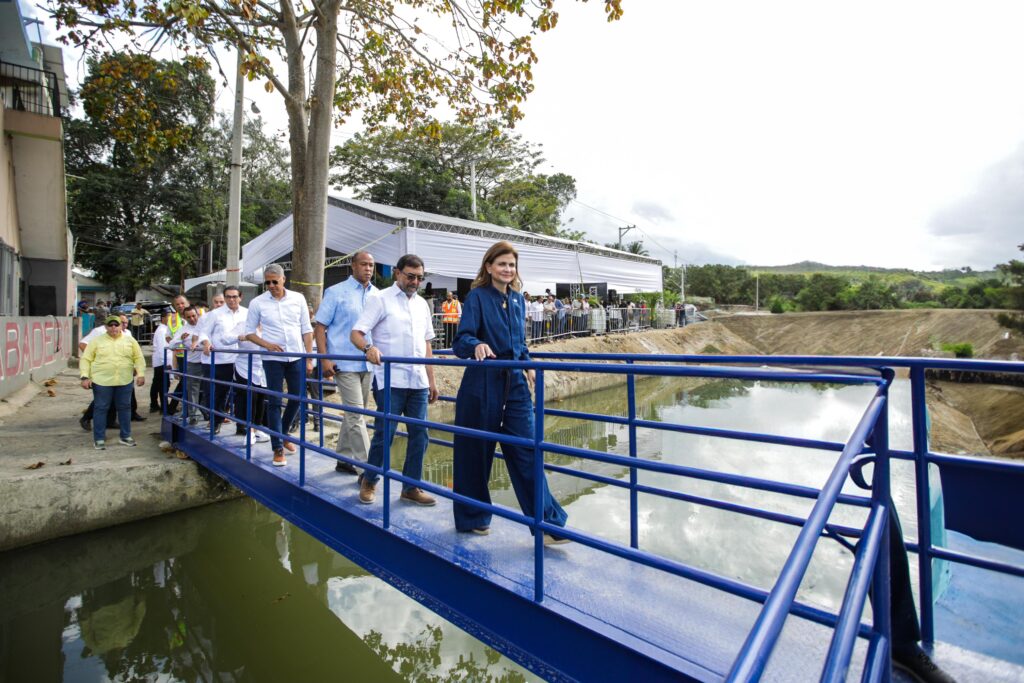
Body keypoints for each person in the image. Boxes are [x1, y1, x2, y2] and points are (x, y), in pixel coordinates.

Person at [451, 241, 569, 543]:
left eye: (512, 265)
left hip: (514, 384)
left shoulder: (517, 301)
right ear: (489, 267)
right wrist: (475, 344)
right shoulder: (477, 298)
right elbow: (461, 339)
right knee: (475, 452)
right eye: (502, 264)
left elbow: (521, 346)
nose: (507, 269)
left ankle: (547, 524)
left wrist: (528, 364)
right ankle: (472, 516)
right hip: (483, 381)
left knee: (528, 450)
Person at [350, 254, 438, 506]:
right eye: (410, 276)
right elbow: (356, 332)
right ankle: (369, 481)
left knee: (420, 434)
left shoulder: (422, 304)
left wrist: (431, 380)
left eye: (419, 278)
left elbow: (426, 345)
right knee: (384, 433)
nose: (415, 281)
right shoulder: (380, 300)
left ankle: (411, 487)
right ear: (397, 273)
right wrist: (368, 348)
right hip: (390, 379)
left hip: (418, 380)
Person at [314, 250, 377, 475]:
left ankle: (343, 457)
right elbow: (320, 327)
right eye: (363, 264)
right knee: (356, 415)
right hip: (343, 363)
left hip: (368, 364)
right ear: (353, 266)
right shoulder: (336, 292)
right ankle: (368, 470)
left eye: (371, 265)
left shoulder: (377, 295)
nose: (368, 269)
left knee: (354, 414)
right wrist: (324, 359)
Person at [245, 264, 314, 467]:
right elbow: (249, 332)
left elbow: (306, 329)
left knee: (298, 397)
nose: (272, 285)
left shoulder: (298, 298)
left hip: (296, 356)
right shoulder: (257, 303)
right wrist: (267, 345)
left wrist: (309, 358)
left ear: (284, 279)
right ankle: (277, 448)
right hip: (272, 359)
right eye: (268, 282)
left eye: (275, 281)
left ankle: (283, 433)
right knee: (274, 401)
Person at [79, 315, 146, 449]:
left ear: (122, 326)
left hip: (124, 380)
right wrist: (85, 377)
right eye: (111, 325)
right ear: (106, 327)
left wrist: (141, 374)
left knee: (125, 408)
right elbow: (86, 359)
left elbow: (138, 357)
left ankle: (125, 436)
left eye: (117, 324)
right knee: (101, 408)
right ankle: (99, 438)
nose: (114, 327)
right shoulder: (97, 341)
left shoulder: (130, 341)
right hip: (101, 381)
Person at [201, 286, 248, 433]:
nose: (231, 300)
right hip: (221, 359)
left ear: (240, 297)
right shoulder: (215, 314)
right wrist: (206, 343)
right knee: (221, 393)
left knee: (243, 393)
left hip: (242, 359)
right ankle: (216, 422)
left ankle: (242, 425)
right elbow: (204, 332)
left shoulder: (247, 313)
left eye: (234, 296)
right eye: (228, 297)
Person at [150, 310, 172, 413]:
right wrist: (166, 363)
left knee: (158, 384)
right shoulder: (162, 331)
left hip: (161, 361)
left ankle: (155, 405)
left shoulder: (165, 329)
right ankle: (164, 407)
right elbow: (162, 349)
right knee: (163, 385)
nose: (171, 319)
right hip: (162, 362)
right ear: (163, 318)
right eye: (169, 317)